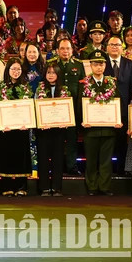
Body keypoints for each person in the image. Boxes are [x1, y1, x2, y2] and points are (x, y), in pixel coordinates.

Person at [81, 50, 121, 195]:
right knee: (91, 160)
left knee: (106, 160)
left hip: (108, 129)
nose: (99, 67)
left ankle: (104, 187)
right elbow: (80, 106)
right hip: (90, 129)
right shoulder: (84, 84)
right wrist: (83, 120)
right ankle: (91, 187)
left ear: (105, 66)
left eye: (102, 64)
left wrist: (118, 120)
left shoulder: (111, 83)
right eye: (96, 64)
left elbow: (118, 103)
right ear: (90, 65)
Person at [0, 58, 33, 196]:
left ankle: (21, 187)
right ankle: (6, 187)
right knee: (6, 155)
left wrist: (27, 123)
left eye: (18, 69)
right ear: (7, 70)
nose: (15, 72)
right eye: (13, 69)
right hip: (6, 129)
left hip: (22, 129)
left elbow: (30, 107)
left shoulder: (26, 87)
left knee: (21, 155)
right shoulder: (1, 87)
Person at [50, 38, 85, 175]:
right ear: (57, 50)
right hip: (55, 109)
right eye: (62, 48)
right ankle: (56, 166)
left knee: (71, 139)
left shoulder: (78, 65)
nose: (65, 51)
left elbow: (82, 88)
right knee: (56, 140)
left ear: (72, 50)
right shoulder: (52, 64)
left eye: (68, 48)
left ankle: (72, 166)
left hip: (73, 109)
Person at [35, 63, 68, 196]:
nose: (51, 75)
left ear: (58, 74)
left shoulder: (64, 90)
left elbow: (67, 109)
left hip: (58, 131)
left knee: (58, 158)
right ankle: (44, 187)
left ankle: (56, 187)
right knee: (43, 158)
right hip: (44, 130)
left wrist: (65, 121)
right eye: (48, 73)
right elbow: (36, 107)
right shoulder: (40, 89)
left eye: (53, 73)